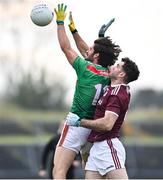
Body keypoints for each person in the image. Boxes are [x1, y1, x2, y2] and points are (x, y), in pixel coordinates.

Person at [53, 3, 122, 179]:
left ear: (96, 56)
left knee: (59, 170)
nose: (87, 50)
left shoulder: (85, 68)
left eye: (92, 49)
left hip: (76, 124)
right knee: (90, 174)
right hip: (94, 129)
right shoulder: (110, 73)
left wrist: (60, 23)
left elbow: (66, 48)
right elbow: (89, 51)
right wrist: (75, 32)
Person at [66, 57, 140, 179]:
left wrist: (80, 122)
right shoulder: (112, 89)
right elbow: (93, 58)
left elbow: (107, 124)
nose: (112, 66)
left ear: (121, 74)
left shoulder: (116, 94)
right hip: (97, 148)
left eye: (117, 66)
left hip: (108, 147)